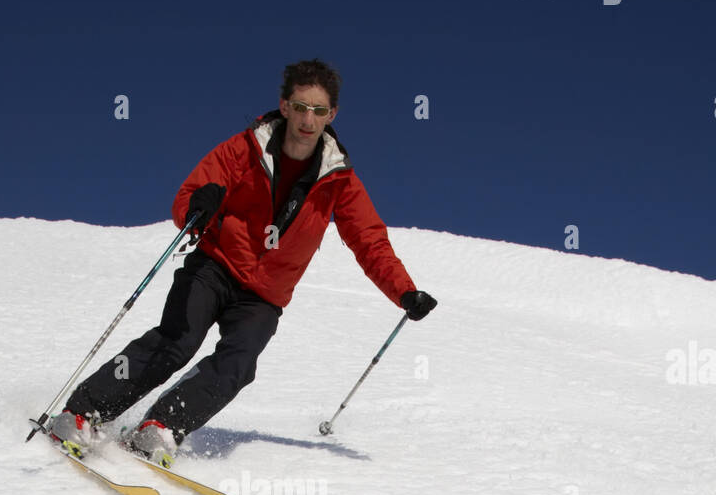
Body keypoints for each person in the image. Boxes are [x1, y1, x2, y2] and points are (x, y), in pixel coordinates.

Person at [48, 58, 437, 466]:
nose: (308, 119)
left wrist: (404, 291)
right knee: (177, 341)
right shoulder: (245, 148)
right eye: (301, 107)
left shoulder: (340, 179)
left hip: (264, 296)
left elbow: (368, 240)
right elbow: (194, 191)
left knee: (238, 363)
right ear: (285, 106)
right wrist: (200, 206)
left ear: (332, 115)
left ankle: (161, 427)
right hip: (215, 265)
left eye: (319, 110)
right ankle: (81, 412)